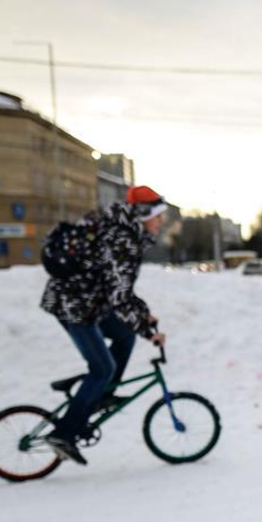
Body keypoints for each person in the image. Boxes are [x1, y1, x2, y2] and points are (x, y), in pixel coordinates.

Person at [39, 185, 168, 465]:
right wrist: (149, 331)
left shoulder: (120, 228)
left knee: (124, 336)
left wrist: (141, 316)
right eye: (158, 217)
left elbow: (118, 289)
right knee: (103, 368)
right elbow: (119, 296)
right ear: (144, 216)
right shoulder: (121, 239)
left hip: (91, 302)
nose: (161, 222)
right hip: (74, 307)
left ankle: (100, 396)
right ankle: (64, 432)